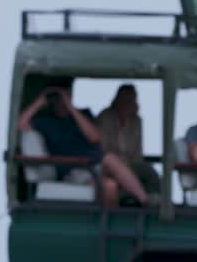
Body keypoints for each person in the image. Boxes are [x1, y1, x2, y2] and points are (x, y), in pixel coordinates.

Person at [17, 85, 150, 207]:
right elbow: (20, 124)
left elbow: (95, 137)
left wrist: (71, 108)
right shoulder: (45, 120)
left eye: (67, 96)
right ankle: (146, 202)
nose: (62, 101)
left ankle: (130, 211)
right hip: (75, 169)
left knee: (111, 184)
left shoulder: (83, 114)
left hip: (94, 165)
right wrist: (40, 100)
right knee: (109, 165)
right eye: (59, 98)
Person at [95, 84, 161, 195]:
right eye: (125, 99)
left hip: (132, 165)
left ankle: (158, 202)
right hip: (109, 167)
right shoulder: (105, 117)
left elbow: (137, 153)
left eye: (131, 99)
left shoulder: (137, 121)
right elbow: (103, 150)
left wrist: (130, 167)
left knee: (150, 172)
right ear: (117, 100)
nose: (128, 102)